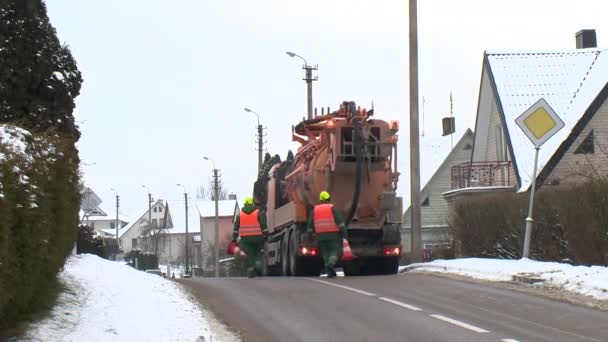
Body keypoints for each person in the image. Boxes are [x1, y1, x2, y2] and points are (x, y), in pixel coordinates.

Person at [307, 191, 348, 278]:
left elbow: (310, 225)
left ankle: (329, 271)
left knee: (325, 253)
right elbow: (340, 222)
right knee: (334, 252)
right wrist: (344, 234)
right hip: (333, 235)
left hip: (320, 236)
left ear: (320, 200)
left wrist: (309, 236)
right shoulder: (332, 208)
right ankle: (331, 264)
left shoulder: (315, 209)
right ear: (329, 199)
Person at [232, 196, 268, 278]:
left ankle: (251, 270)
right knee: (258, 252)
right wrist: (266, 235)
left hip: (245, 240)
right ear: (252, 203)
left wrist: (234, 239)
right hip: (257, 238)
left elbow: (236, 228)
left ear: (245, 204)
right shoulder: (258, 212)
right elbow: (263, 225)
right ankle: (258, 264)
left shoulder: (240, 215)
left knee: (249, 255)